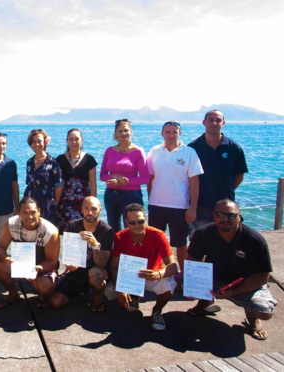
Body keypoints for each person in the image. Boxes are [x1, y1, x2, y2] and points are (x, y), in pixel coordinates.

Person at [187, 200, 277, 341]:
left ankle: (252, 319)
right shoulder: (202, 234)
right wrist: (194, 286)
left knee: (264, 311)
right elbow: (192, 261)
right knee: (178, 284)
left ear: (239, 217)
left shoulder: (254, 240)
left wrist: (234, 291)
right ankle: (205, 302)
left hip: (244, 284)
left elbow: (262, 276)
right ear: (214, 216)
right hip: (214, 278)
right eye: (221, 214)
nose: (225, 219)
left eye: (231, 215)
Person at [146, 121, 203, 284]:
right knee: (155, 242)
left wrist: (192, 208)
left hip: (179, 207)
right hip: (156, 206)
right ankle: (156, 274)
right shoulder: (155, 151)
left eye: (175, 132)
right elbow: (150, 178)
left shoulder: (189, 152)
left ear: (180, 134)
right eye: (168, 132)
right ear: (162, 133)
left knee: (180, 244)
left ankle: (184, 277)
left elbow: (194, 182)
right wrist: (151, 199)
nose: (171, 135)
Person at [111, 203, 177, 331]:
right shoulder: (119, 236)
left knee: (170, 284)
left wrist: (157, 274)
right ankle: (134, 295)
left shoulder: (158, 235)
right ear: (126, 222)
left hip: (153, 274)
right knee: (114, 296)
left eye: (140, 221)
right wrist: (120, 288)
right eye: (132, 222)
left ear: (145, 218)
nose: (137, 226)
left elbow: (173, 267)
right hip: (131, 275)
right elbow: (114, 267)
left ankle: (157, 311)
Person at [0, 197, 60, 308]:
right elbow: (0, 247)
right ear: (18, 212)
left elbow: (52, 262)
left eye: (33, 212)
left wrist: (37, 268)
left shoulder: (50, 231)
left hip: (42, 266)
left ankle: (42, 295)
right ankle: (13, 294)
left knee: (45, 286)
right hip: (20, 264)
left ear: (39, 211)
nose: (29, 217)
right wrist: (6, 257)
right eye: (25, 212)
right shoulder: (11, 224)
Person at [50, 196, 114, 311]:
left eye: (94, 209)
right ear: (81, 210)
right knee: (56, 302)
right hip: (78, 270)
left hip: (97, 269)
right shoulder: (73, 226)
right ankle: (81, 287)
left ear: (100, 210)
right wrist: (68, 265)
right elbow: (68, 254)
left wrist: (95, 244)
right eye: (86, 208)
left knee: (95, 274)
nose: (90, 212)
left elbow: (102, 264)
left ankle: (97, 294)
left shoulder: (107, 231)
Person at [188, 110, 248, 231]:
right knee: (198, 243)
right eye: (210, 120)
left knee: (225, 242)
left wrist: (225, 191)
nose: (214, 123)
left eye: (218, 120)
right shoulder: (192, 148)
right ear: (204, 122)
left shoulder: (234, 148)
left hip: (226, 206)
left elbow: (239, 175)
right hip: (200, 205)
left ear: (223, 123)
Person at [100, 119, 149, 231]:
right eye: (120, 131)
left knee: (133, 228)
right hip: (111, 195)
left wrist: (125, 181)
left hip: (131, 195)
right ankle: (116, 249)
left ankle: (134, 249)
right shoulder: (109, 151)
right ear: (116, 134)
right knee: (113, 229)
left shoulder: (138, 151)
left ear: (131, 132)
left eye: (126, 130)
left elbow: (145, 178)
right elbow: (102, 175)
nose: (123, 133)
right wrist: (114, 178)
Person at [56, 128, 97, 233]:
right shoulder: (59, 160)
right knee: (65, 235)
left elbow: (93, 184)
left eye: (76, 139)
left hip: (83, 205)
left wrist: (92, 205)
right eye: (71, 139)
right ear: (67, 141)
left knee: (83, 234)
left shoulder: (89, 160)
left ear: (82, 140)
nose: (74, 142)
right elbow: (56, 184)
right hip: (64, 205)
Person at [24, 129, 62, 226]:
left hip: (46, 204)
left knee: (47, 233)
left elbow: (58, 186)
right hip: (30, 204)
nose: (36, 144)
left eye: (39, 141)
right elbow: (28, 184)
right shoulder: (29, 162)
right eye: (33, 142)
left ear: (45, 142)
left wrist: (53, 204)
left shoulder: (53, 162)